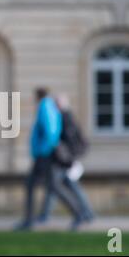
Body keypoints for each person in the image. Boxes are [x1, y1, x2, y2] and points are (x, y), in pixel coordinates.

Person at [16, 88, 83, 231]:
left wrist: (47, 149)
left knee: (43, 186)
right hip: (44, 154)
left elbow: (50, 131)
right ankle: (78, 214)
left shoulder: (44, 107)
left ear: (38, 96)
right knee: (50, 187)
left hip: (44, 155)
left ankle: (29, 221)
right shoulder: (49, 107)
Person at [37, 93, 95, 225]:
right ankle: (46, 214)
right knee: (56, 186)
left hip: (65, 159)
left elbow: (68, 141)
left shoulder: (64, 118)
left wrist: (67, 157)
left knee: (57, 185)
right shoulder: (66, 116)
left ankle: (84, 213)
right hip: (65, 158)